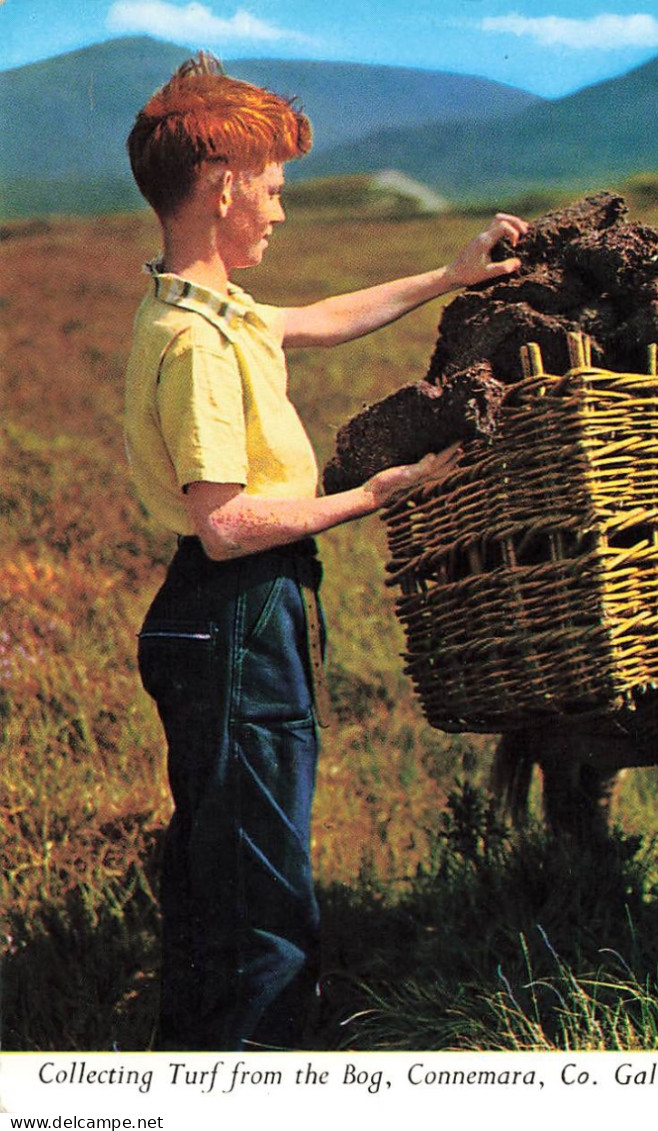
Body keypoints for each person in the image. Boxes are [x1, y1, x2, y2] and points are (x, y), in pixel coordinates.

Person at [123, 53, 527, 1049]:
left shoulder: (205, 309)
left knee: (221, 871)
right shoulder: (198, 346)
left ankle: (199, 1062)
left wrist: (449, 276)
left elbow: (316, 320)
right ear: (222, 188)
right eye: (272, 187)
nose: (281, 210)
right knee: (262, 895)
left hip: (231, 617)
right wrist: (373, 495)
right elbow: (225, 525)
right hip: (236, 612)